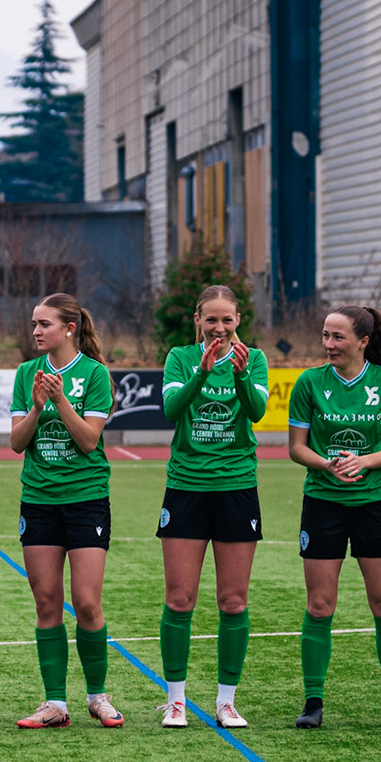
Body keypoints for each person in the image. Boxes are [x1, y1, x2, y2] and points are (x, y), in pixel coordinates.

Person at [286, 305, 381, 730]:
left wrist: (364, 462)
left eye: (337, 337)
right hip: (322, 502)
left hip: (374, 502)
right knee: (319, 605)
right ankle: (312, 702)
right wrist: (326, 465)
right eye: (325, 336)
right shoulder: (309, 383)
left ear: (363, 341)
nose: (328, 345)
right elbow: (296, 448)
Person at [156, 284, 269, 729]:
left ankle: (226, 701)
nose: (219, 327)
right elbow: (171, 409)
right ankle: (176, 700)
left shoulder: (253, 359)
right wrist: (201, 374)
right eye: (211, 319)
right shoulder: (180, 357)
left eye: (227, 319)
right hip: (186, 486)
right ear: (197, 321)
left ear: (237, 320)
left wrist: (240, 376)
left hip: (236, 487)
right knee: (179, 598)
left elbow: (258, 412)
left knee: (233, 600)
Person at [8, 293, 123, 730]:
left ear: (69, 328)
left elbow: (89, 441)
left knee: (87, 602)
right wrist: (37, 405)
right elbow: (18, 443)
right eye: (34, 323)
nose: (36, 331)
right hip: (38, 500)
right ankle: (55, 702)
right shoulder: (25, 374)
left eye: (44, 324)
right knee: (46, 602)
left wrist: (60, 401)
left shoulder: (94, 374)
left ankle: (97, 695)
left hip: (86, 498)